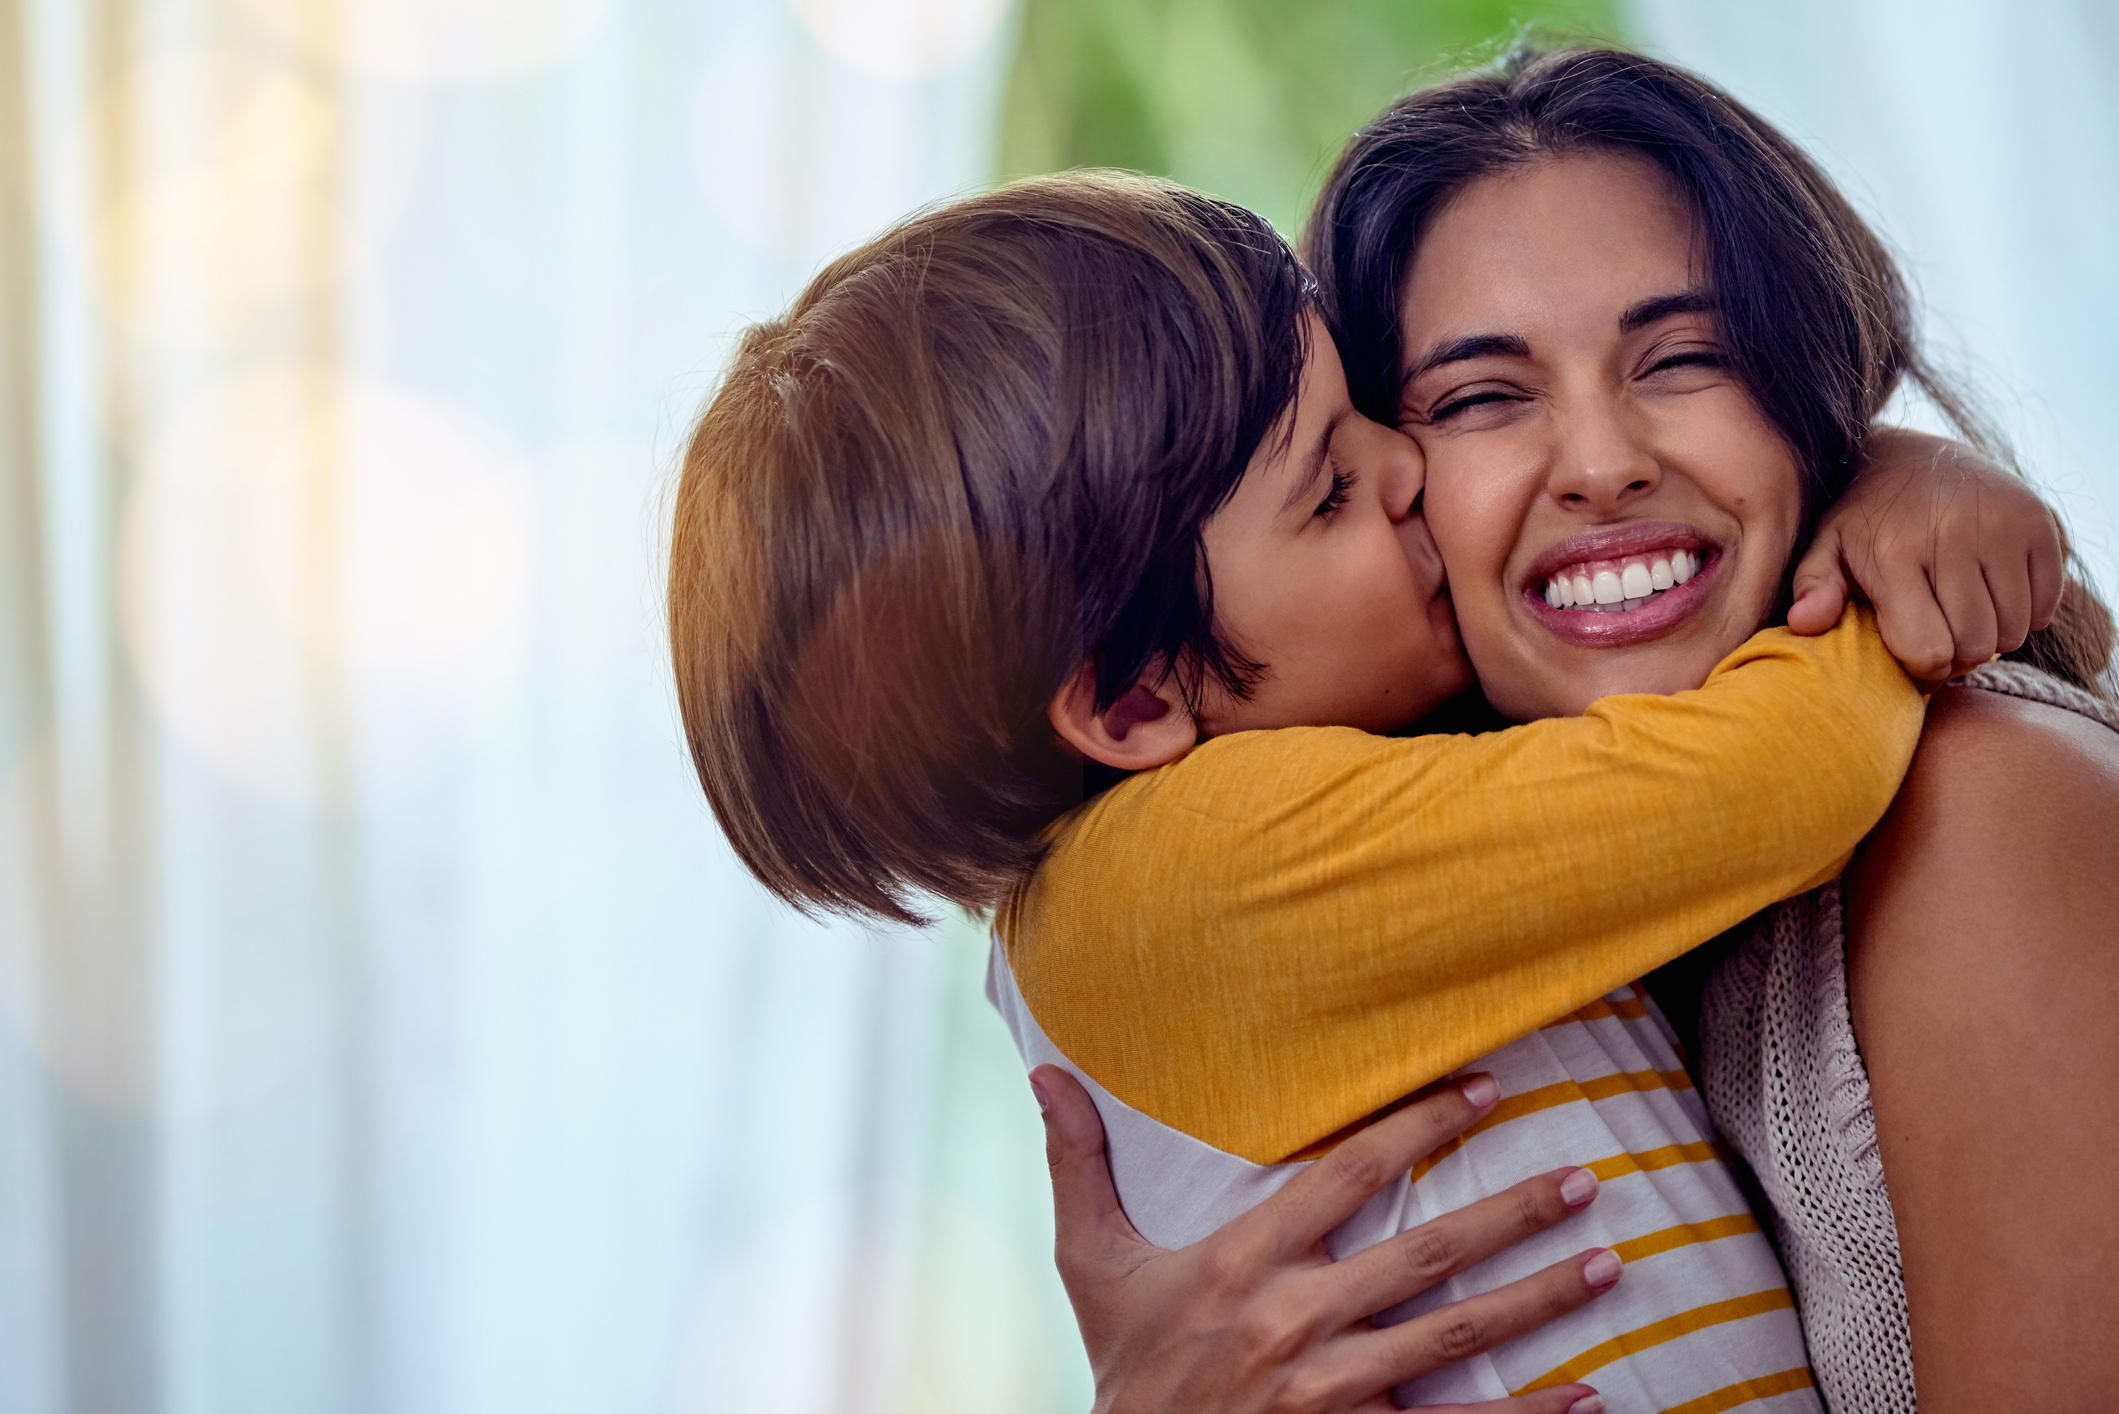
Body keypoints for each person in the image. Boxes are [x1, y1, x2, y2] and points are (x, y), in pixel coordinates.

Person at [665, 170, 2059, 1409]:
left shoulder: (1236, 837)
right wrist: (1879, 520)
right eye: (1332, 485)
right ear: (1137, 701)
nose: (1409, 472)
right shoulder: (1187, 878)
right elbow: (1782, 777)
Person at [1052, 45, 2118, 1414]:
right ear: (1382, 488)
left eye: (1689, 359)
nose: (1606, 459)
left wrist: (1887, 489)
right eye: (1483, 396)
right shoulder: (1483, 933)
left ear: (1804, 392)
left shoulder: (1983, 811)